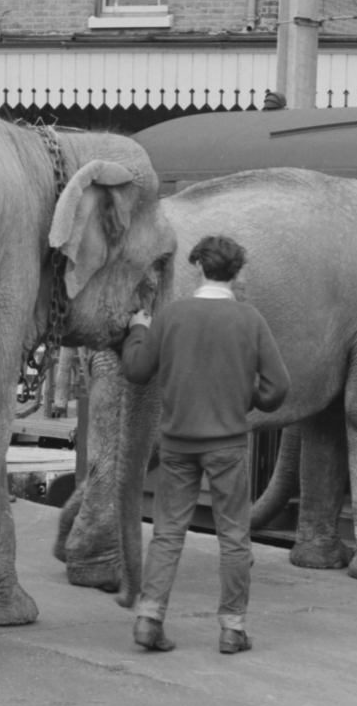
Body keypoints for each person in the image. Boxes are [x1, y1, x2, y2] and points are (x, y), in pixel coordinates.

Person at [120, 234, 290, 655]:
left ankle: (149, 620)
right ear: (239, 273)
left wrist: (138, 332)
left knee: (167, 533)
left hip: (177, 445)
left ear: (197, 267)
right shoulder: (250, 320)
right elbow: (278, 387)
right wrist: (245, 398)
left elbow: (137, 371)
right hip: (229, 447)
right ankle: (232, 630)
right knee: (234, 536)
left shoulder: (172, 315)